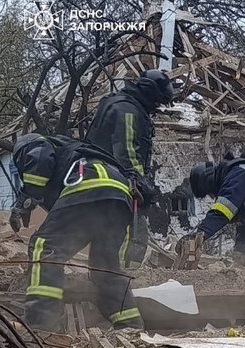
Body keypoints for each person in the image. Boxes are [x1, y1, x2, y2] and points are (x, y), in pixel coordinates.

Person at [9, 133, 144, 332]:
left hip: (88, 184)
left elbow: (40, 157)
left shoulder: (31, 144)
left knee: (44, 247)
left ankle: (40, 324)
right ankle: (130, 326)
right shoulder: (73, 150)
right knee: (104, 267)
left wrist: (25, 202)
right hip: (120, 196)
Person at [85, 69, 175, 264]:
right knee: (134, 232)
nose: (156, 106)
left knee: (109, 234)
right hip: (116, 182)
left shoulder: (120, 104)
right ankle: (120, 275)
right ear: (150, 93)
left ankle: (104, 274)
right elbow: (127, 153)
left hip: (103, 180)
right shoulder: (127, 111)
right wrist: (141, 186)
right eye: (157, 101)